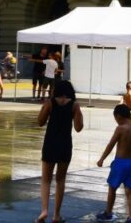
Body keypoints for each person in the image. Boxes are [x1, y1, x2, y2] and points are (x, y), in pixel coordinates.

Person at [37, 79, 84, 223]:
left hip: (50, 143)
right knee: (60, 180)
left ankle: (44, 210)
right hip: (65, 144)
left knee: (46, 179)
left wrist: (45, 107)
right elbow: (78, 127)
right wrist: (77, 112)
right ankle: (56, 215)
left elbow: (40, 122)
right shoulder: (74, 105)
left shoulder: (50, 103)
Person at [95, 104, 131, 223]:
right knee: (130, 191)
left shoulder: (120, 128)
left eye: (115, 118)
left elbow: (111, 145)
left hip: (120, 163)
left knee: (112, 188)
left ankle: (108, 213)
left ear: (118, 116)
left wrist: (102, 159)